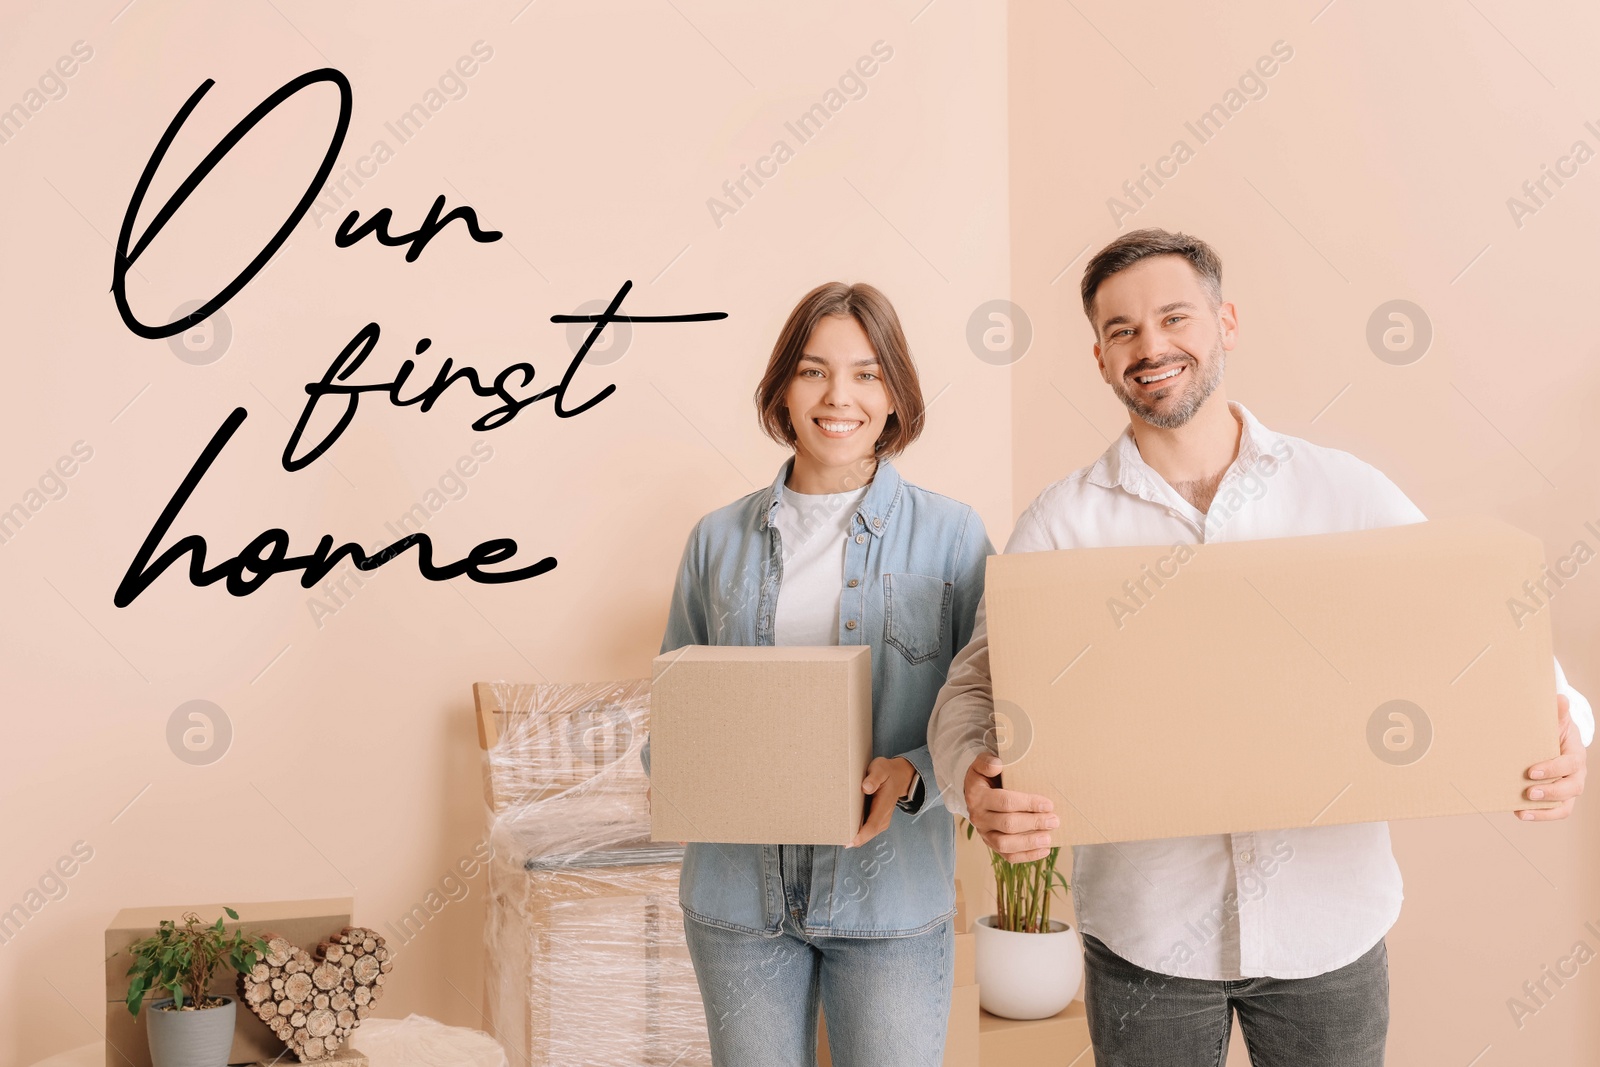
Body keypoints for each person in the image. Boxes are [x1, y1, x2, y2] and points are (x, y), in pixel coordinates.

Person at [927, 228, 1593, 1066]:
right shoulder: (1063, 523)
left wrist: (1564, 721)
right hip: (1147, 938)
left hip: (1330, 932)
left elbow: (1470, 627)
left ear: (1226, 322)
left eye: (1175, 317)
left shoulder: (1341, 492)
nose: (1152, 346)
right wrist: (972, 780)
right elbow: (972, 687)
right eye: (1122, 329)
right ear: (1098, 356)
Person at [643, 282, 994, 1066]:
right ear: (783, 389)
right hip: (738, 899)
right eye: (814, 371)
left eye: (868, 373)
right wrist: (672, 774)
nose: (840, 397)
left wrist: (916, 772)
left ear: (896, 391)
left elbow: (991, 704)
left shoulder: (954, 536)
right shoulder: (717, 540)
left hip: (891, 896)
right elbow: (672, 706)